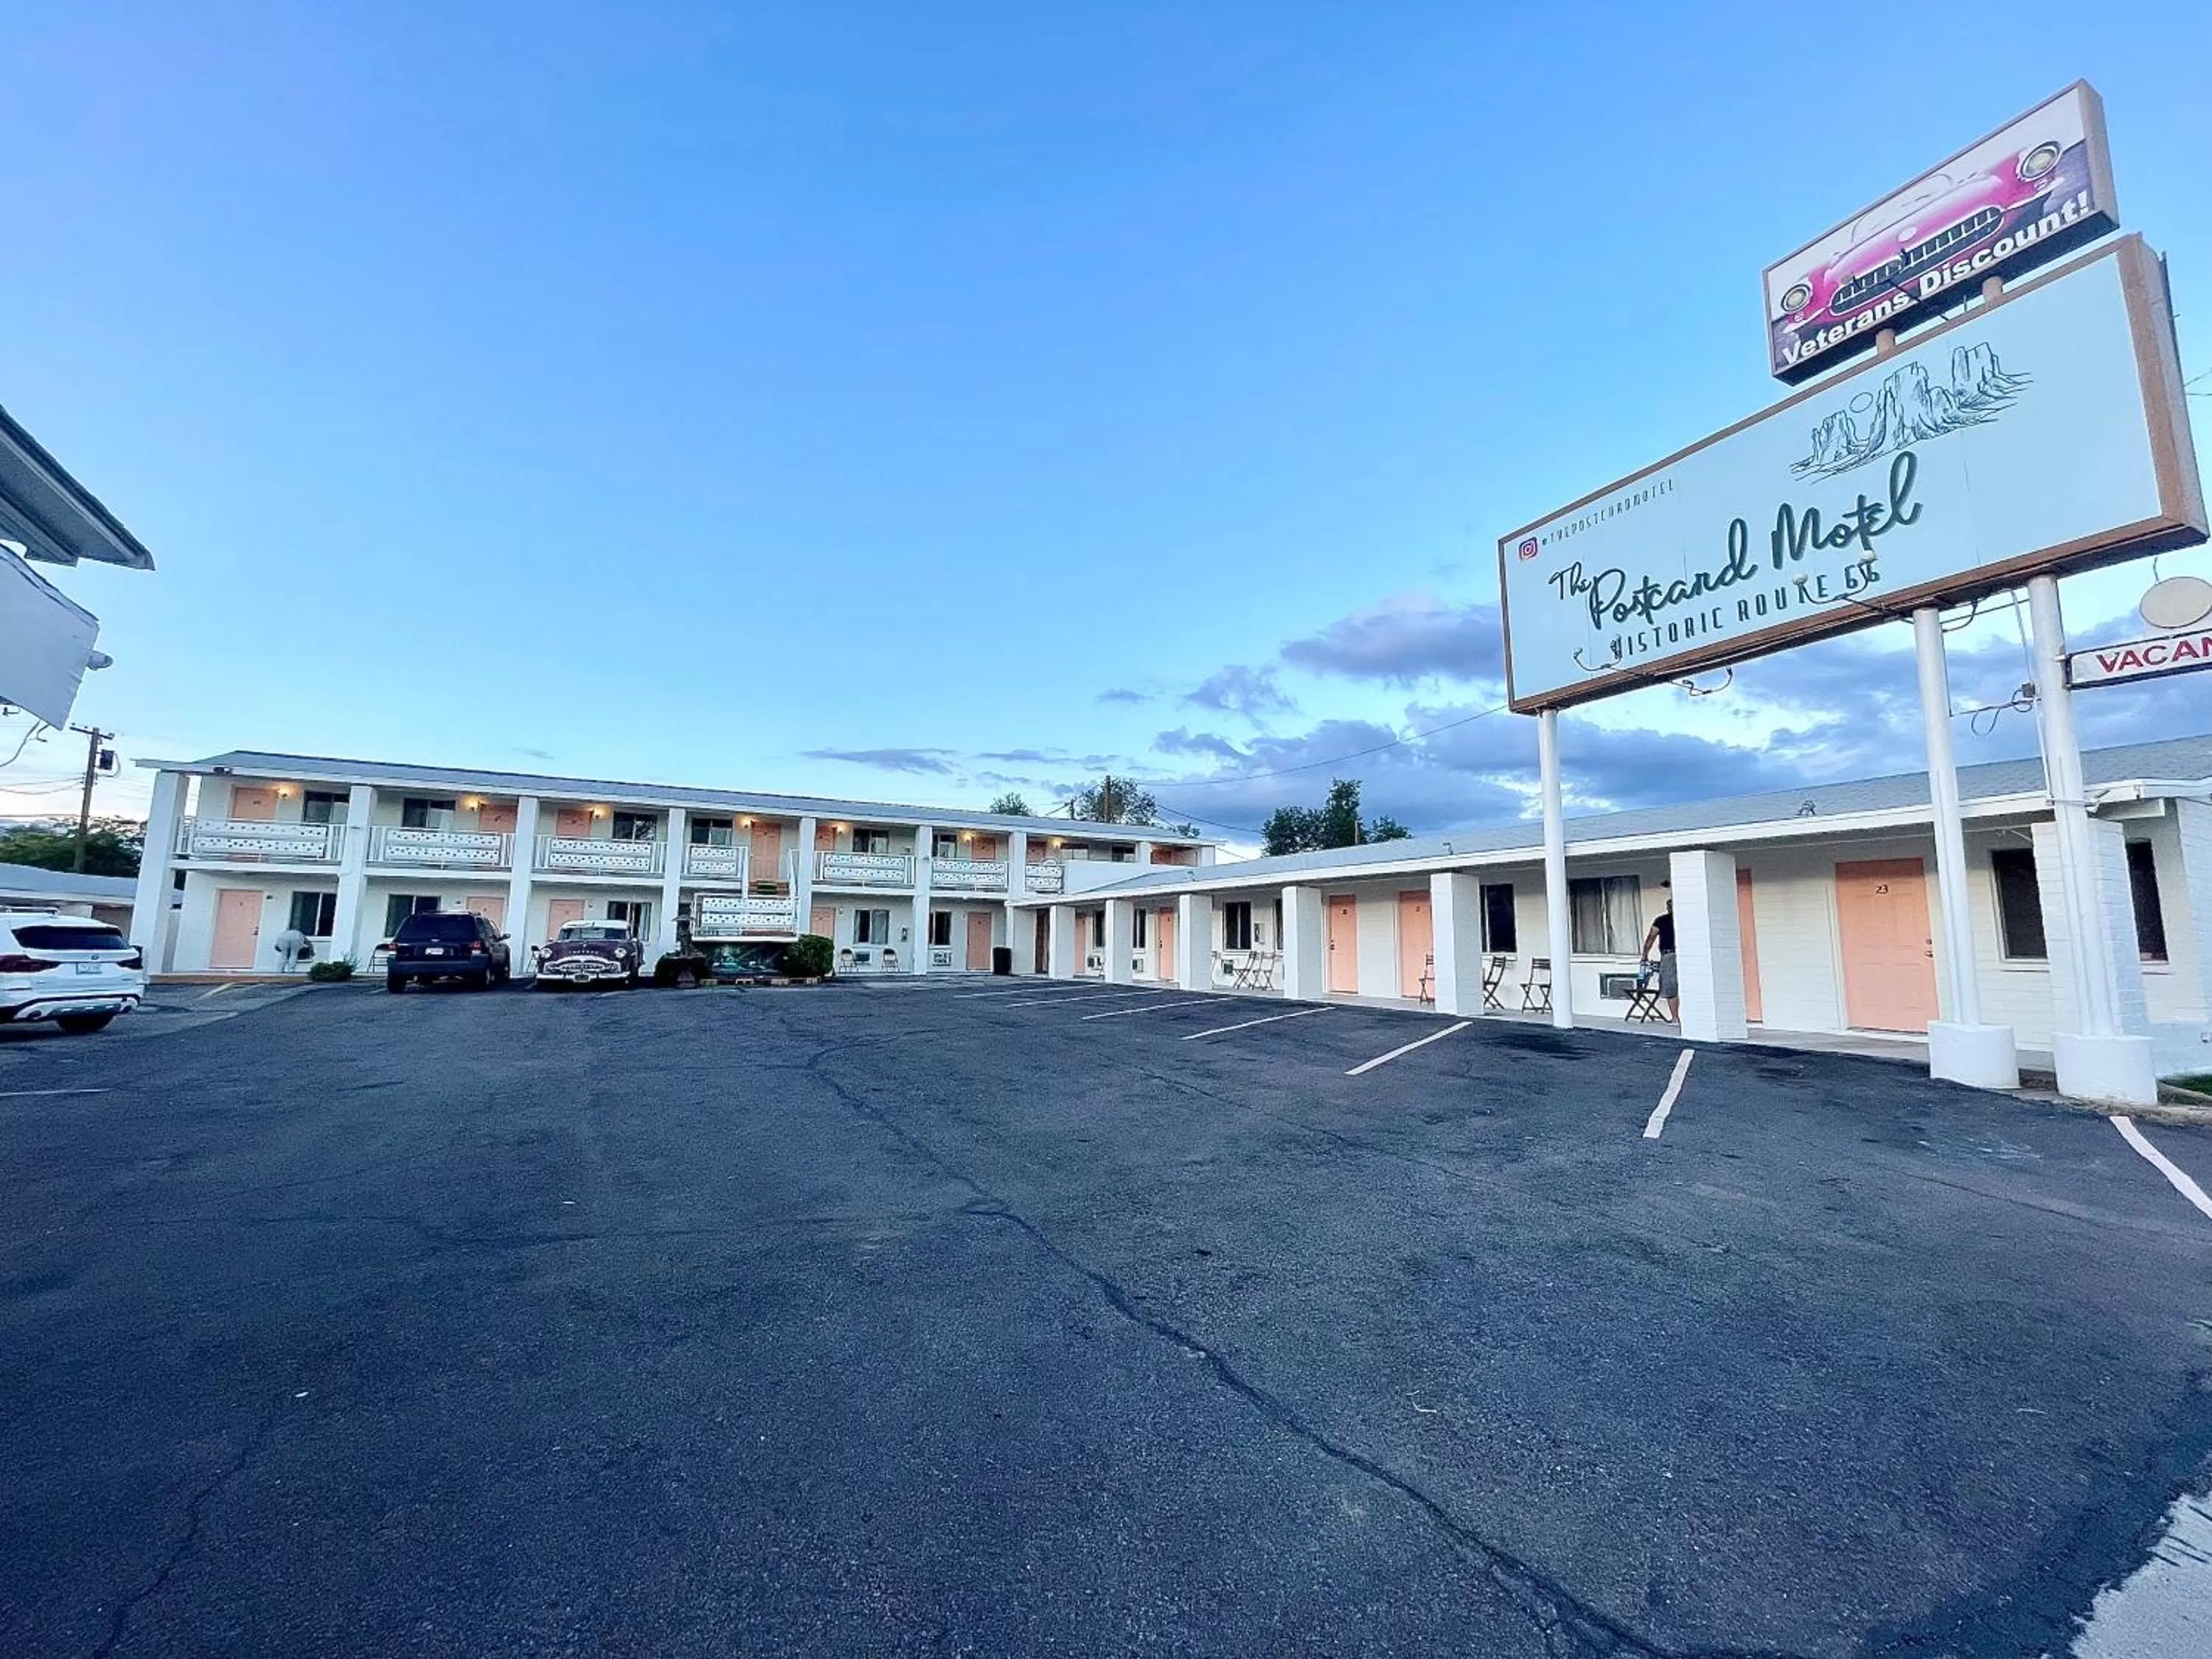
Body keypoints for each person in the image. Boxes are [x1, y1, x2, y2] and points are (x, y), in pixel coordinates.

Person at [1640, 885, 1677, 1023]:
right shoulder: (1685, 920)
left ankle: (1675, 1018)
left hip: (1669, 955)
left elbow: (1651, 938)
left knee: (1670, 986)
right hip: (1685, 954)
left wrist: (1645, 955)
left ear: (1668, 908)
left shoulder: (1661, 920)